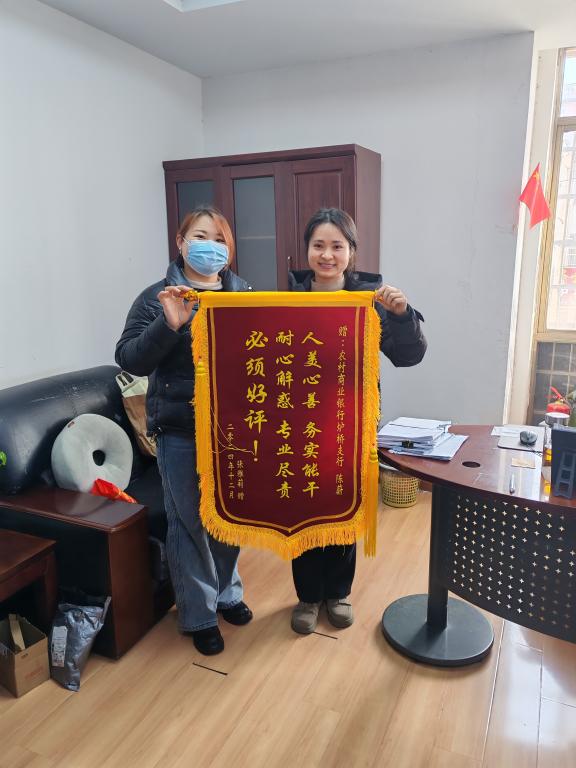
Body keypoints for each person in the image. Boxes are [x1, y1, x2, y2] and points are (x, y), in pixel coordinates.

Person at [115, 206, 253, 656]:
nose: (210, 246)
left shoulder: (243, 295)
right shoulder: (156, 296)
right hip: (179, 429)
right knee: (189, 521)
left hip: (233, 430)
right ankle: (198, 614)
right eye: (200, 236)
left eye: (219, 239)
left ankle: (227, 592)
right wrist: (168, 324)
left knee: (229, 515)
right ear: (180, 242)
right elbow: (130, 358)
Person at [288, 208, 427, 635]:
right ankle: (307, 596)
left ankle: (338, 592)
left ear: (351, 252)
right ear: (307, 250)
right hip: (299, 423)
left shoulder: (371, 302)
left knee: (344, 506)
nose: (327, 255)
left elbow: (409, 356)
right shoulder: (286, 300)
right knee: (303, 509)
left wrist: (402, 315)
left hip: (352, 422)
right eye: (318, 245)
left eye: (337, 246)